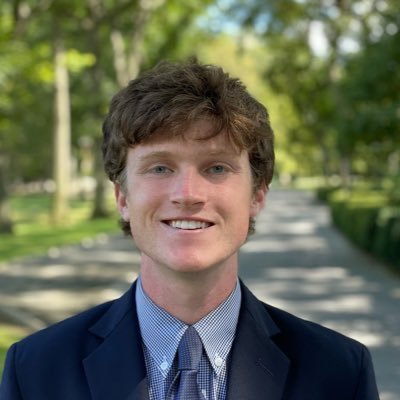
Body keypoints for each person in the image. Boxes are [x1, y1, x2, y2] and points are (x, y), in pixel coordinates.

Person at [0, 60, 379, 400]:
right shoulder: (34, 371)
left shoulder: (339, 373)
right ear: (122, 198)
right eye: (160, 167)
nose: (187, 195)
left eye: (216, 168)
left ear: (257, 195)